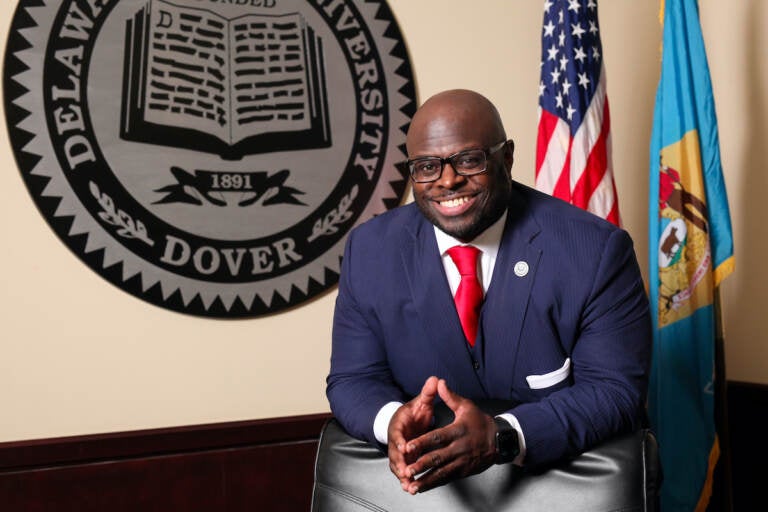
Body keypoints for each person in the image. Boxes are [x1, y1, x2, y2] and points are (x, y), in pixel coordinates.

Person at [326, 89, 651, 495]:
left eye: (468, 159)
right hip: (425, 495)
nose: (448, 180)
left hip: (560, 493)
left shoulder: (595, 251)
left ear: (506, 157)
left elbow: (614, 389)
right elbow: (353, 379)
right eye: (427, 166)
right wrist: (393, 420)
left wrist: (503, 437)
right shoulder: (370, 251)